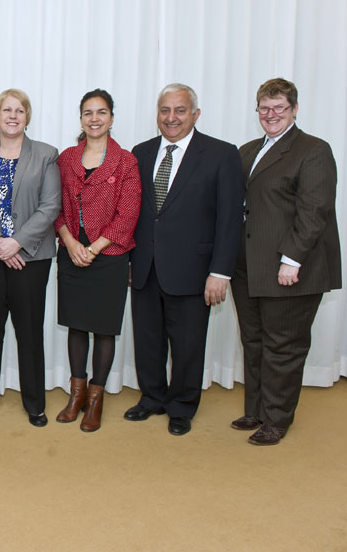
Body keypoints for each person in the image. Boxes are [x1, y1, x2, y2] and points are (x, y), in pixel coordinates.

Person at [126, 83, 243, 436]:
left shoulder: (221, 154)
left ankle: (181, 406)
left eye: (179, 110)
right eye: (165, 110)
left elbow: (229, 218)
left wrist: (220, 272)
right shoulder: (141, 153)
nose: (171, 117)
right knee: (148, 340)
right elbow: (134, 212)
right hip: (145, 266)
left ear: (195, 114)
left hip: (194, 270)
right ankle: (152, 398)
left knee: (188, 344)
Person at [231, 78, 341, 446]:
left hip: (290, 269)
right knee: (255, 342)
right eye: (264, 107)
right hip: (247, 268)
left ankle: (277, 420)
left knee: (283, 347)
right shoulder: (247, 151)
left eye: (279, 107)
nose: (271, 114)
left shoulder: (313, 150)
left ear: (294, 109)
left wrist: (291, 259)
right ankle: (257, 409)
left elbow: (315, 211)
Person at [0, 89, 61, 426]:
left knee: (29, 330)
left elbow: (50, 206)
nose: (13, 116)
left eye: (20, 110)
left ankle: (35, 404)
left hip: (31, 258)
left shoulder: (46, 155)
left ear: (27, 116)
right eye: (7, 110)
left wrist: (16, 243)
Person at [53, 89, 141, 432]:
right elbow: (55, 208)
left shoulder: (127, 161)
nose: (94, 118)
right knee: (76, 325)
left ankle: (94, 400)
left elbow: (127, 214)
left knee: (104, 329)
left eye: (101, 112)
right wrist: (71, 242)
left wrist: (94, 248)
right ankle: (75, 396)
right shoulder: (65, 159)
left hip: (110, 257)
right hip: (71, 252)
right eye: (88, 113)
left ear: (112, 118)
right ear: (80, 119)